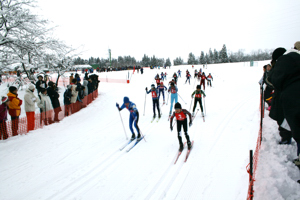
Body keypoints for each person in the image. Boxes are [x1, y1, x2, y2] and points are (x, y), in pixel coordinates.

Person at [268, 44, 300, 167]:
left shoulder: (284, 61)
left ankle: (287, 138)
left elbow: (273, 80)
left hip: (293, 98)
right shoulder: (296, 57)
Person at [267, 47, 292, 145]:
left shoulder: (282, 66)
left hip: (284, 99)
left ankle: (286, 138)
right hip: (286, 98)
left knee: (283, 118)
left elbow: (270, 80)